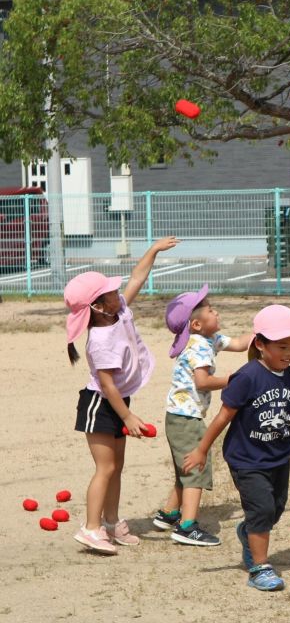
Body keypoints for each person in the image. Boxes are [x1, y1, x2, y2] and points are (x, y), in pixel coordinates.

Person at [183, 304, 290, 591]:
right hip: (246, 459)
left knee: (274, 510)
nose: (289, 353)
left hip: (279, 458)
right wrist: (202, 450)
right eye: (282, 347)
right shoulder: (247, 377)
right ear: (260, 344)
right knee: (261, 510)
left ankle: (247, 531)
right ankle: (260, 567)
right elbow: (223, 416)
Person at [64, 236, 179, 555]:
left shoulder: (119, 312)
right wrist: (128, 416)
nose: (118, 292)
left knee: (117, 464)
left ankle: (111, 522)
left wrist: (154, 249)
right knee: (105, 467)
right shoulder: (99, 340)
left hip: (117, 402)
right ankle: (90, 527)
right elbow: (107, 385)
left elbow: (138, 277)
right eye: (110, 292)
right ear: (98, 307)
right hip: (100, 404)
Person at [153, 285, 251, 546]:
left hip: (180, 415)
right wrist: (233, 380)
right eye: (210, 309)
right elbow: (203, 382)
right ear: (196, 324)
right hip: (185, 418)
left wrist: (265, 330)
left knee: (183, 467)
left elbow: (241, 344)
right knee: (196, 468)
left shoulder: (212, 338)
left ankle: (169, 514)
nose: (216, 311)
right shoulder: (198, 346)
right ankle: (187, 527)